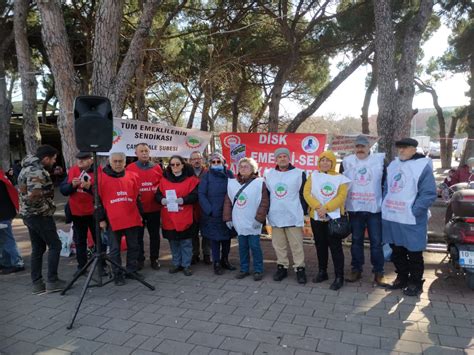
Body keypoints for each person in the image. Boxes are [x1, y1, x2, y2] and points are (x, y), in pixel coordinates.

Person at [382, 138, 436, 296]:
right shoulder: (393, 165)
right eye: (399, 148)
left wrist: (415, 211)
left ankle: (416, 282)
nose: (401, 151)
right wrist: (385, 204)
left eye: (404, 148)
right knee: (396, 250)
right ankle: (402, 277)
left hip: (412, 218)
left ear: (413, 149)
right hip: (393, 216)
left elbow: (428, 193)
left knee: (414, 252)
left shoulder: (422, 167)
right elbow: (388, 187)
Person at [341, 135, 388, 286]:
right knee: (356, 241)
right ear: (354, 148)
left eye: (363, 146)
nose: (360, 149)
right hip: (355, 209)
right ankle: (356, 269)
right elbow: (341, 183)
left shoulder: (380, 161)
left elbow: (386, 182)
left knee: (376, 242)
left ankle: (379, 271)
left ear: (369, 148)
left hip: (374, 209)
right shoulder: (346, 162)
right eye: (358, 146)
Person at [18, 145, 65, 294]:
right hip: (39, 215)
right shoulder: (36, 170)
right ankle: (52, 281)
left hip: (29, 215)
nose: (54, 161)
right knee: (55, 245)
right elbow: (35, 196)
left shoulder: (27, 168)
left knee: (38, 248)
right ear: (46, 158)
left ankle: (37, 284)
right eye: (53, 159)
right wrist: (45, 209)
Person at [304, 150, 350, 291]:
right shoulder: (313, 176)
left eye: (328, 160)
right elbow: (306, 192)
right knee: (320, 246)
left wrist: (326, 208)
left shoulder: (341, 178)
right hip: (316, 217)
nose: (325, 163)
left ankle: (339, 277)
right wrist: (318, 207)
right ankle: (322, 272)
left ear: (333, 162)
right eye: (322, 160)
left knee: (335, 248)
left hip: (333, 218)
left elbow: (341, 197)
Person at [98, 152, 143, 286]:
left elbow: (137, 198)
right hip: (112, 219)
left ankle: (131, 270)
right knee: (115, 249)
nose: (118, 164)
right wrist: (101, 219)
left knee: (134, 246)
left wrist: (141, 214)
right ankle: (117, 273)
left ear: (125, 163)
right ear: (110, 162)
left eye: (120, 161)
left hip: (131, 217)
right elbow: (97, 201)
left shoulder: (133, 176)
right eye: (115, 161)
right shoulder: (101, 178)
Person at [264, 147, 308, 284]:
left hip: (293, 214)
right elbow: (267, 194)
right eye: (279, 157)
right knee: (279, 245)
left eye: (285, 156)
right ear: (275, 159)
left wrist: (303, 211)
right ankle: (282, 267)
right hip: (276, 214)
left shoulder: (299, 173)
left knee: (297, 245)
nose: (282, 158)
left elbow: (303, 194)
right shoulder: (269, 174)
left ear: (289, 158)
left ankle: (300, 269)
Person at [60, 152, 106, 277]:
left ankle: (102, 267)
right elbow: (63, 190)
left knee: (99, 241)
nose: (80, 161)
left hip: (93, 213)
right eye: (79, 159)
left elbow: (103, 192)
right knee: (80, 241)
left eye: (84, 159)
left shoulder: (98, 171)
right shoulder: (73, 170)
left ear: (91, 160)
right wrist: (72, 186)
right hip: (77, 213)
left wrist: (90, 188)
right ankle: (81, 267)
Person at [223, 157, 269, 281]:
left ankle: (258, 270)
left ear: (253, 169)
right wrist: (227, 218)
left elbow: (264, 202)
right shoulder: (233, 183)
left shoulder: (260, 183)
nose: (243, 168)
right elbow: (228, 201)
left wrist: (259, 219)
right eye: (241, 166)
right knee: (242, 246)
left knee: (254, 246)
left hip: (253, 221)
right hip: (239, 221)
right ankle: (244, 269)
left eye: (246, 166)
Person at [156, 155, 199, 276]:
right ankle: (176, 263)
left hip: (185, 215)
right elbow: (157, 195)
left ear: (183, 165)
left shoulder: (191, 180)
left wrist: (184, 200)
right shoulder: (164, 180)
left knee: (186, 242)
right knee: (173, 242)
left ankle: (186, 265)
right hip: (169, 216)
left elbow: (195, 196)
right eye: (172, 164)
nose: (175, 166)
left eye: (177, 164)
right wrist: (161, 200)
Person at [126, 143, 163, 270]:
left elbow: (162, 186)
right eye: (141, 151)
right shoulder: (129, 168)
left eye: (146, 151)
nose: (144, 153)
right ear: (135, 153)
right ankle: (139, 259)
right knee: (138, 236)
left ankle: (154, 258)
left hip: (154, 208)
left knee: (155, 235)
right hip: (137, 209)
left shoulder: (157, 168)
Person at [198, 152, 235, 275]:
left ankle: (225, 260)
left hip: (227, 212)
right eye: (213, 162)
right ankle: (217, 263)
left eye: (218, 161)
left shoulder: (229, 174)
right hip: (213, 214)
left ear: (223, 162)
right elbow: (201, 194)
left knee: (227, 239)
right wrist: (209, 209)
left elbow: (235, 191)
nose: (216, 164)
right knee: (215, 240)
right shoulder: (206, 176)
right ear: (210, 164)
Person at [0, 168, 25, 275]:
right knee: (3, 239)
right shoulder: (1, 176)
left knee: (7, 239)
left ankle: (17, 263)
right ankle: (6, 262)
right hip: (5, 212)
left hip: (3, 214)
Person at [189, 151, 211, 265]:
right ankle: (195, 253)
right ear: (190, 161)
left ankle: (207, 253)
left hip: (205, 207)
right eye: (193, 159)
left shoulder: (208, 172)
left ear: (202, 160)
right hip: (192, 207)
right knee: (193, 232)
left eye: (198, 158)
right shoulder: (187, 173)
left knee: (206, 232)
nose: (196, 161)